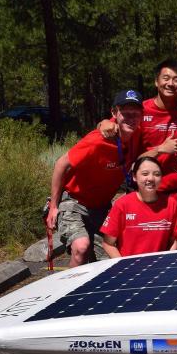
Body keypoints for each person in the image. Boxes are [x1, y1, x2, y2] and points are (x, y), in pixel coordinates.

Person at [47, 89, 143, 267]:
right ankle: (71, 285)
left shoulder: (136, 134)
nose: (131, 118)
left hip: (101, 207)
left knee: (110, 260)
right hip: (75, 202)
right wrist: (53, 206)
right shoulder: (98, 140)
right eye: (126, 113)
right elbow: (61, 164)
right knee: (81, 247)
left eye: (135, 114)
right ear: (115, 113)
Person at [100, 156, 177, 258]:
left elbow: (175, 240)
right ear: (134, 177)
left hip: (160, 264)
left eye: (157, 174)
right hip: (129, 265)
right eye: (145, 174)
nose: (151, 178)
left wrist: (167, 260)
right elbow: (108, 243)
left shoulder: (171, 204)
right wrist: (123, 264)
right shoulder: (122, 204)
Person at [139, 58, 177, 153]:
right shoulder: (141, 109)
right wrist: (106, 123)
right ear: (156, 82)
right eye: (166, 78)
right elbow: (115, 124)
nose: (170, 84)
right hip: (146, 161)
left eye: (176, 80)